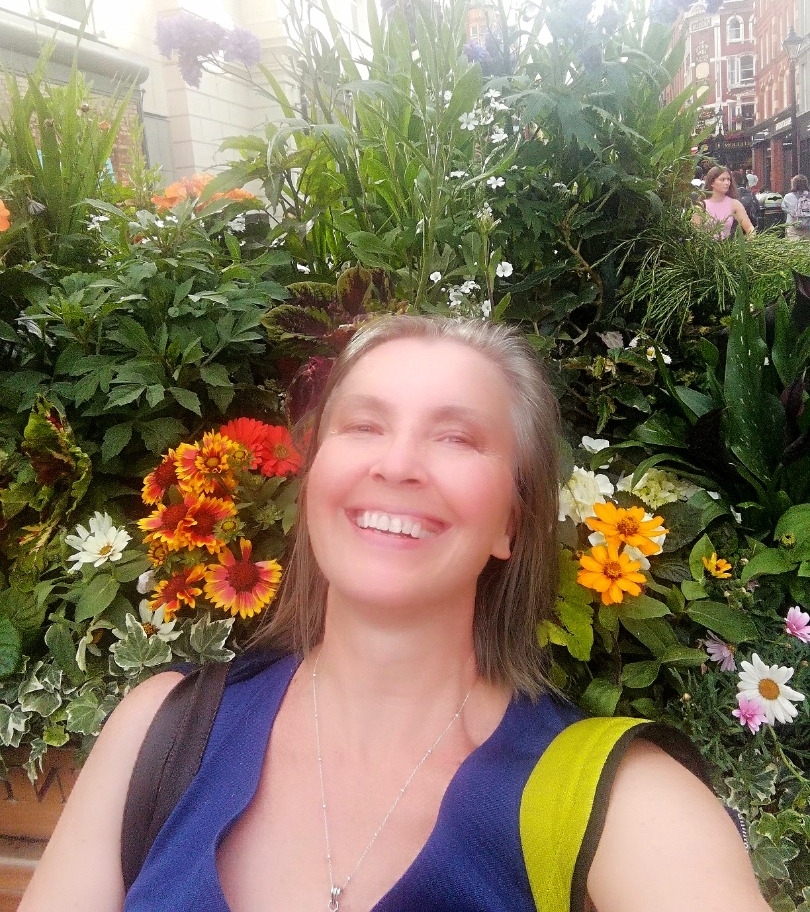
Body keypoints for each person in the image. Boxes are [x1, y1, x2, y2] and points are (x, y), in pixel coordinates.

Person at [20, 316, 768, 912]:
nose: (398, 464)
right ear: (316, 480)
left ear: (512, 521)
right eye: (364, 426)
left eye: (456, 437)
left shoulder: (621, 802)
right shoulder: (162, 731)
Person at [692, 165, 755, 239]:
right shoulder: (701, 206)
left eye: (728, 179)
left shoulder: (735, 204)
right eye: (722, 180)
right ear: (712, 182)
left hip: (728, 245)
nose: (727, 183)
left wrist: (749, 240)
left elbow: (750, 228)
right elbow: (694, 234)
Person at [782, 173, 810, 240]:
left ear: (793, 184)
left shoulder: (788, 196)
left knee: (793, 246)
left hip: (793, 226)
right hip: (808, 227)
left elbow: (784, 208)